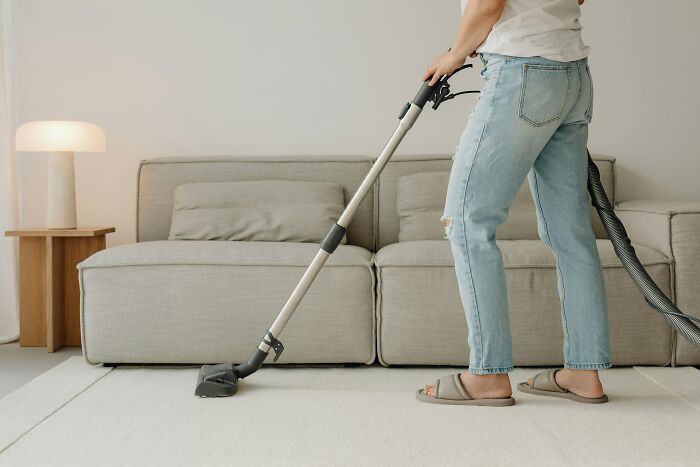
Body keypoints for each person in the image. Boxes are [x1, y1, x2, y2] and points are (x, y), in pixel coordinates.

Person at [417, 0, 611, 406]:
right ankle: (583, 372)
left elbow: (489, 3)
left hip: (522, 71)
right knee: (570, 233)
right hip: (573, 76)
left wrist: (455, 53)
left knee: (467, 221)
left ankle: (487, 375)